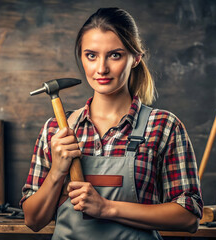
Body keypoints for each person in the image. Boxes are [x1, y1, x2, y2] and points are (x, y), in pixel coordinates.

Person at [20, 7, 203, 239]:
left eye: (115, 55)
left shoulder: (164, 127)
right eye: (91, 55)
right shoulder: (56, 131)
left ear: (135, 58)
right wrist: (57, 170)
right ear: (82, 57)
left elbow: (189, 217)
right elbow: (33, 220)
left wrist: (106, 208)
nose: (101, 68)